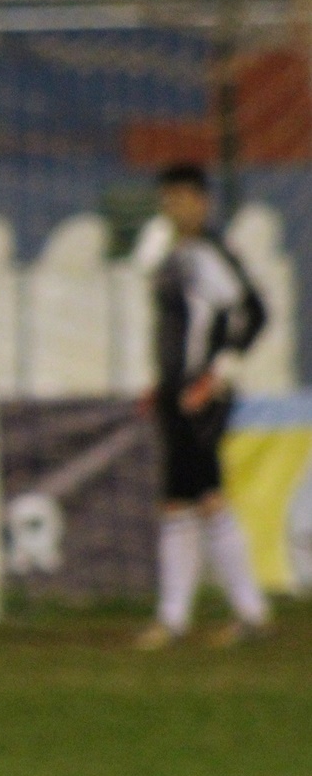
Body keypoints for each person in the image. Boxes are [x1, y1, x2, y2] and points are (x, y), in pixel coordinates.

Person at [136, 163, 270, 648]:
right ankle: (187, 616)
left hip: (200, 395)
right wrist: (162, 382)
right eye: (168, 198)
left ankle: (230, 613)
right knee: (183, 499)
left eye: (183, 197)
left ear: (203, 201)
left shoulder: (209, 253)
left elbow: (254, 312)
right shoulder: (172, 253)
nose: (174, 207)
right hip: (177, 392)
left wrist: (218, 374)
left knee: (198, 496)